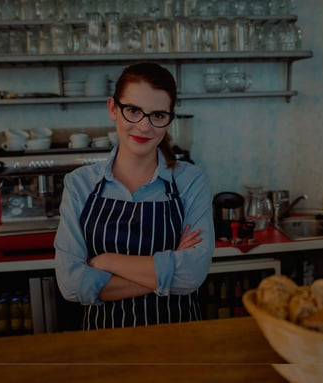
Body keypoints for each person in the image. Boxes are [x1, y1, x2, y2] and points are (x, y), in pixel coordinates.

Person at [54, 62, 215, 330]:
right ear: (113, 109)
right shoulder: (79, 184)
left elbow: (192, 275)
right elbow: (72, 286)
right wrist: (168, 267)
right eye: (133, 111)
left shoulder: (191, 180)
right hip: (105, 346)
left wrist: (107, 261)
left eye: (158, 115)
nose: (143, 126)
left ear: (169, 119)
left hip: (179, 342)